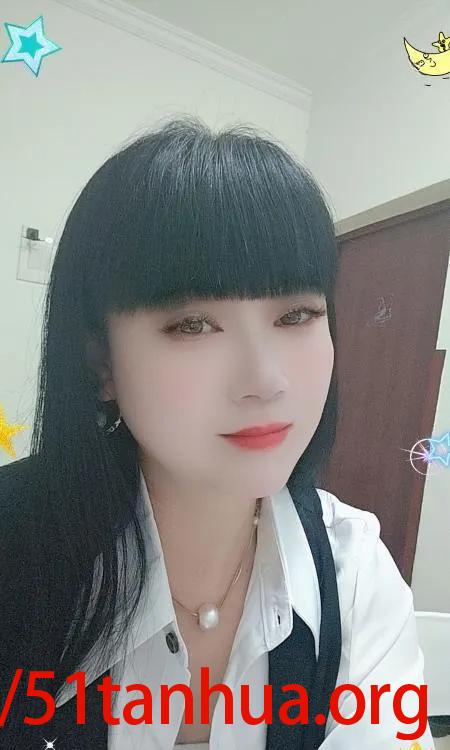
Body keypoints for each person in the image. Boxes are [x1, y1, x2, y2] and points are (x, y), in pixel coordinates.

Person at [0, 115, 435, 749]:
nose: (265, 380)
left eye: (297, 314)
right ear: (101, 364)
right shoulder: (16, 546)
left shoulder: (353, 571)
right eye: (194, 325)